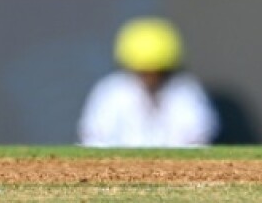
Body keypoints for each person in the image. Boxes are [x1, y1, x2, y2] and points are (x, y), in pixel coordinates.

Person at [78, 17, 218, 148]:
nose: (151, 77)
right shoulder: (111, 91)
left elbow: (198, 138)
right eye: (144, 72)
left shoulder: (185, 91)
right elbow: (94, 138)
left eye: (158, 71)